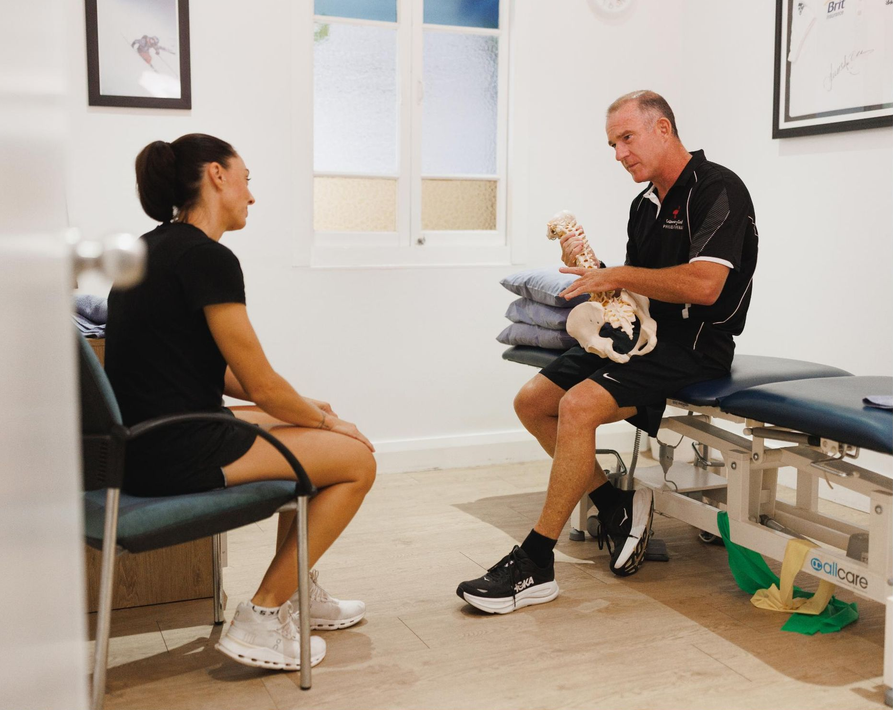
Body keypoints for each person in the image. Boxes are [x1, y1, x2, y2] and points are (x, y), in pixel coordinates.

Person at [457, 90, 759, 614]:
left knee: (577, 408)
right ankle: (615, 501)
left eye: (627, 138)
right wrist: (596, 280)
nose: (619, 153)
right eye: (613, 144)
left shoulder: (719, 190)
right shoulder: (643, 205)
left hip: (694, 346)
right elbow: (640, 291)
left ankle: (536, 562)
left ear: (663, 129)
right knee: (533, 402)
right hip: (642, 333)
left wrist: (615, 273)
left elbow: (706, 285)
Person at [105, 133, 377, 669]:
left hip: (142, 443)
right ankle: (263, 616)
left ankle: (297, 588)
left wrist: (303, 408)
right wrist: (322, 419)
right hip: (179, 447)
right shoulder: (209, 258)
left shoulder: (148, 248)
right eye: (247, 179)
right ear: (217, 175)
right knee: (355, 461)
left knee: (316, 437)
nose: (251, 196)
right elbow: (262, 386)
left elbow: (210, 367)